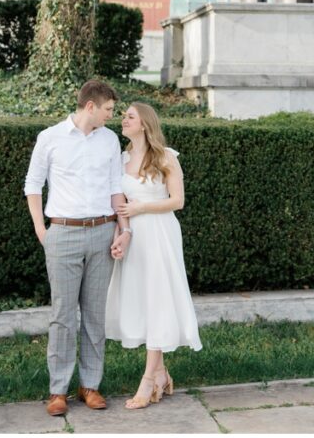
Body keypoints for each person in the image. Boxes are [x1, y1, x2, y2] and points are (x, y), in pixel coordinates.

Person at [24, 80, 131, 417]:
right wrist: (43, 230)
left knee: (95, 315)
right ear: (90, 107)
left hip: (102, 232)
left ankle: (90, 385)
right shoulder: (50, 138)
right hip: (63, 233)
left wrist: (122, 229)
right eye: (108, 110)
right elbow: (32, 185)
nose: (112, 117)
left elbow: (116, 187)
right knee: (62, 316)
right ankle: (58, 390)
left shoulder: (109, 140)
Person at [106, 102, 202, 410]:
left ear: (145, 124)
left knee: (158, 298)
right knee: (143, 299)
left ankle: (149, 380)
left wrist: (141, 208)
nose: (123, 120)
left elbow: (178, 201)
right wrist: (122, 232)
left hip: (160, 233)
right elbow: (117, 204)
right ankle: (160, 373)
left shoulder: (166, 157)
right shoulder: (120, 159)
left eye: (129, 117)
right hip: (134, 237)